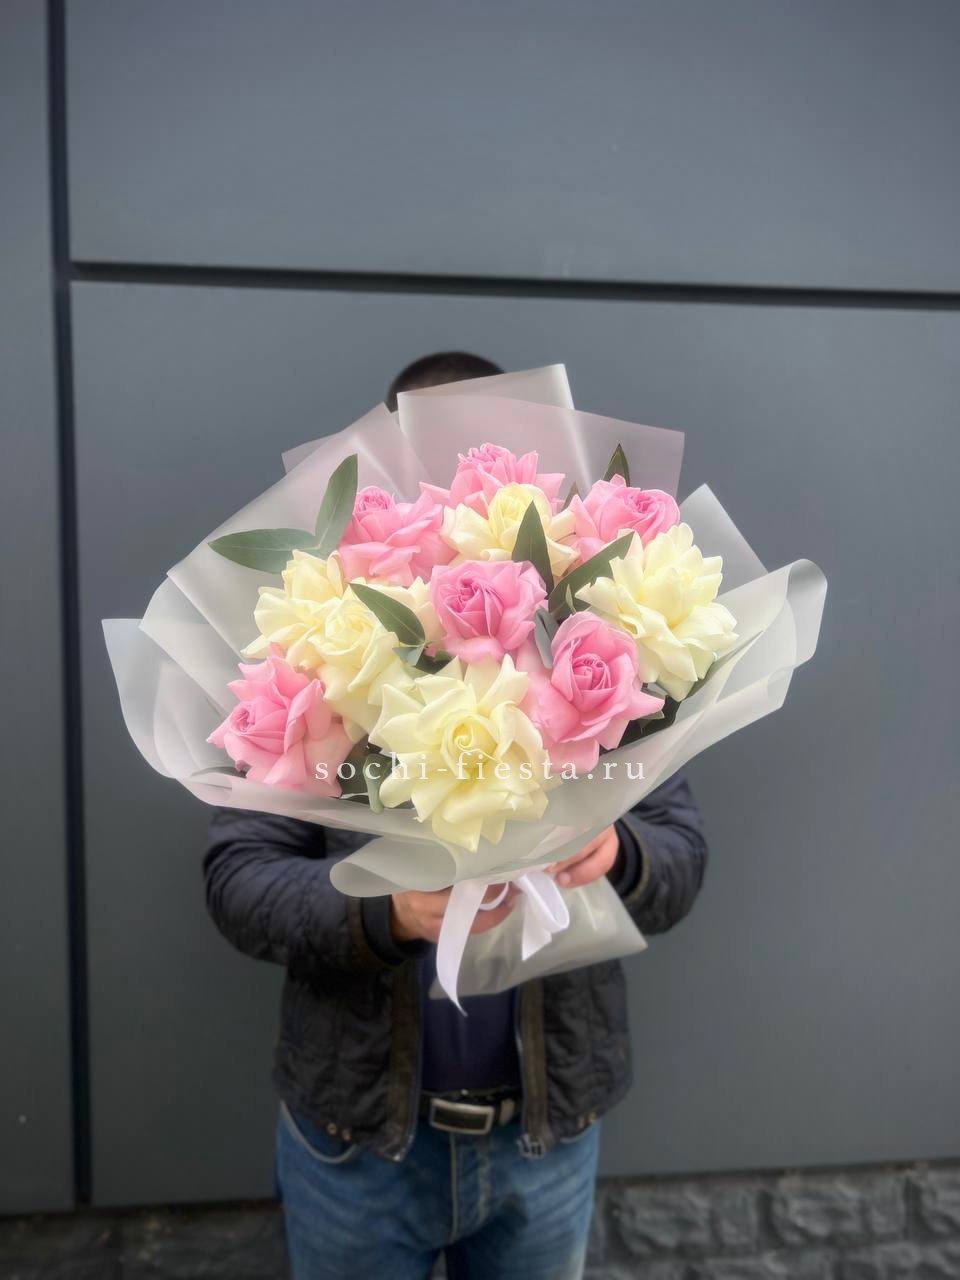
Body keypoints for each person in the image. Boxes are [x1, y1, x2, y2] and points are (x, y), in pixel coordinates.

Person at [204, 352, 708, 1280]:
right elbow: (238, 882)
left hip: (546, 1140)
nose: (461, 487)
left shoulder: (605, 631)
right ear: (386, 470)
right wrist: (386, 914)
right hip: (356, 1146)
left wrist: (618, 848)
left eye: (488, 457)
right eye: (432, 458)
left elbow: (681, 858)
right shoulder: (313, 643)